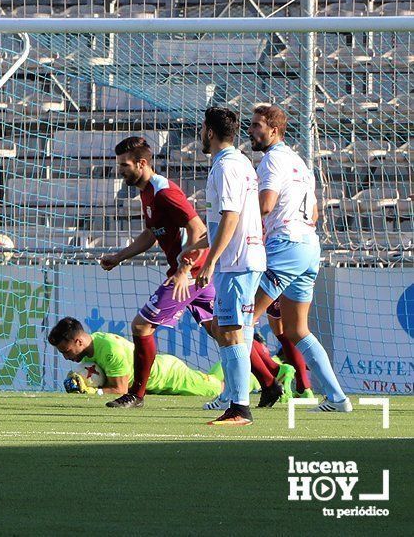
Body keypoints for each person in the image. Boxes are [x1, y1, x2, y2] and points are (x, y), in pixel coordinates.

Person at [98, 136, 217, 408]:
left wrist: (184, 270)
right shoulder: (147, 192)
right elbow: (152, 234)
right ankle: (271, 378)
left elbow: (198, 229)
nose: (121, 170)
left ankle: (136, 395)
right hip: (191, 272)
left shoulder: (164, 191)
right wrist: (119, 256)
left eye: (125, 165)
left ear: (142, 163)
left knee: (141, 326)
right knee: (220, 329)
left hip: (189, 273)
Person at [246, 105, 350, 412]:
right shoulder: (300, 163)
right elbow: (315, 213)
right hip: (308, 247)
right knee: (296, 330)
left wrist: (235, 216)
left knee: (241, 319)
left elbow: (265, 205)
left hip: (286, 245)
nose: (250, 131)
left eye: (256, 126)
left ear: (273, 130)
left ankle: (234, 399)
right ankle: (337, 398)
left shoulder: (272, 160)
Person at [182, 107, 266, 426]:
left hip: (236, 262)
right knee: (227, 330)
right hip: (244, 258)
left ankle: (240, 408)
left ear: (209, 132)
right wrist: (198, 246)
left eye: (202, 129)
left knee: (230, 332)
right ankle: (233, 396)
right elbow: (228, 219)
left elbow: (231, 216)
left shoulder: (226, 166)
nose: (200, 135)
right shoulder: (240, 162)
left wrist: (211, 260)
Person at [48, 317, 224, 398]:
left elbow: (121, 390)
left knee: (219, 388)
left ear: (79, 341)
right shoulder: (87, 353)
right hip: (155, 382)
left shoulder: (110, 349)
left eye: (66, 351)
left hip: (171, 376)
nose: (65, 357)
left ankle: (248, 366)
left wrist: (93, 392)